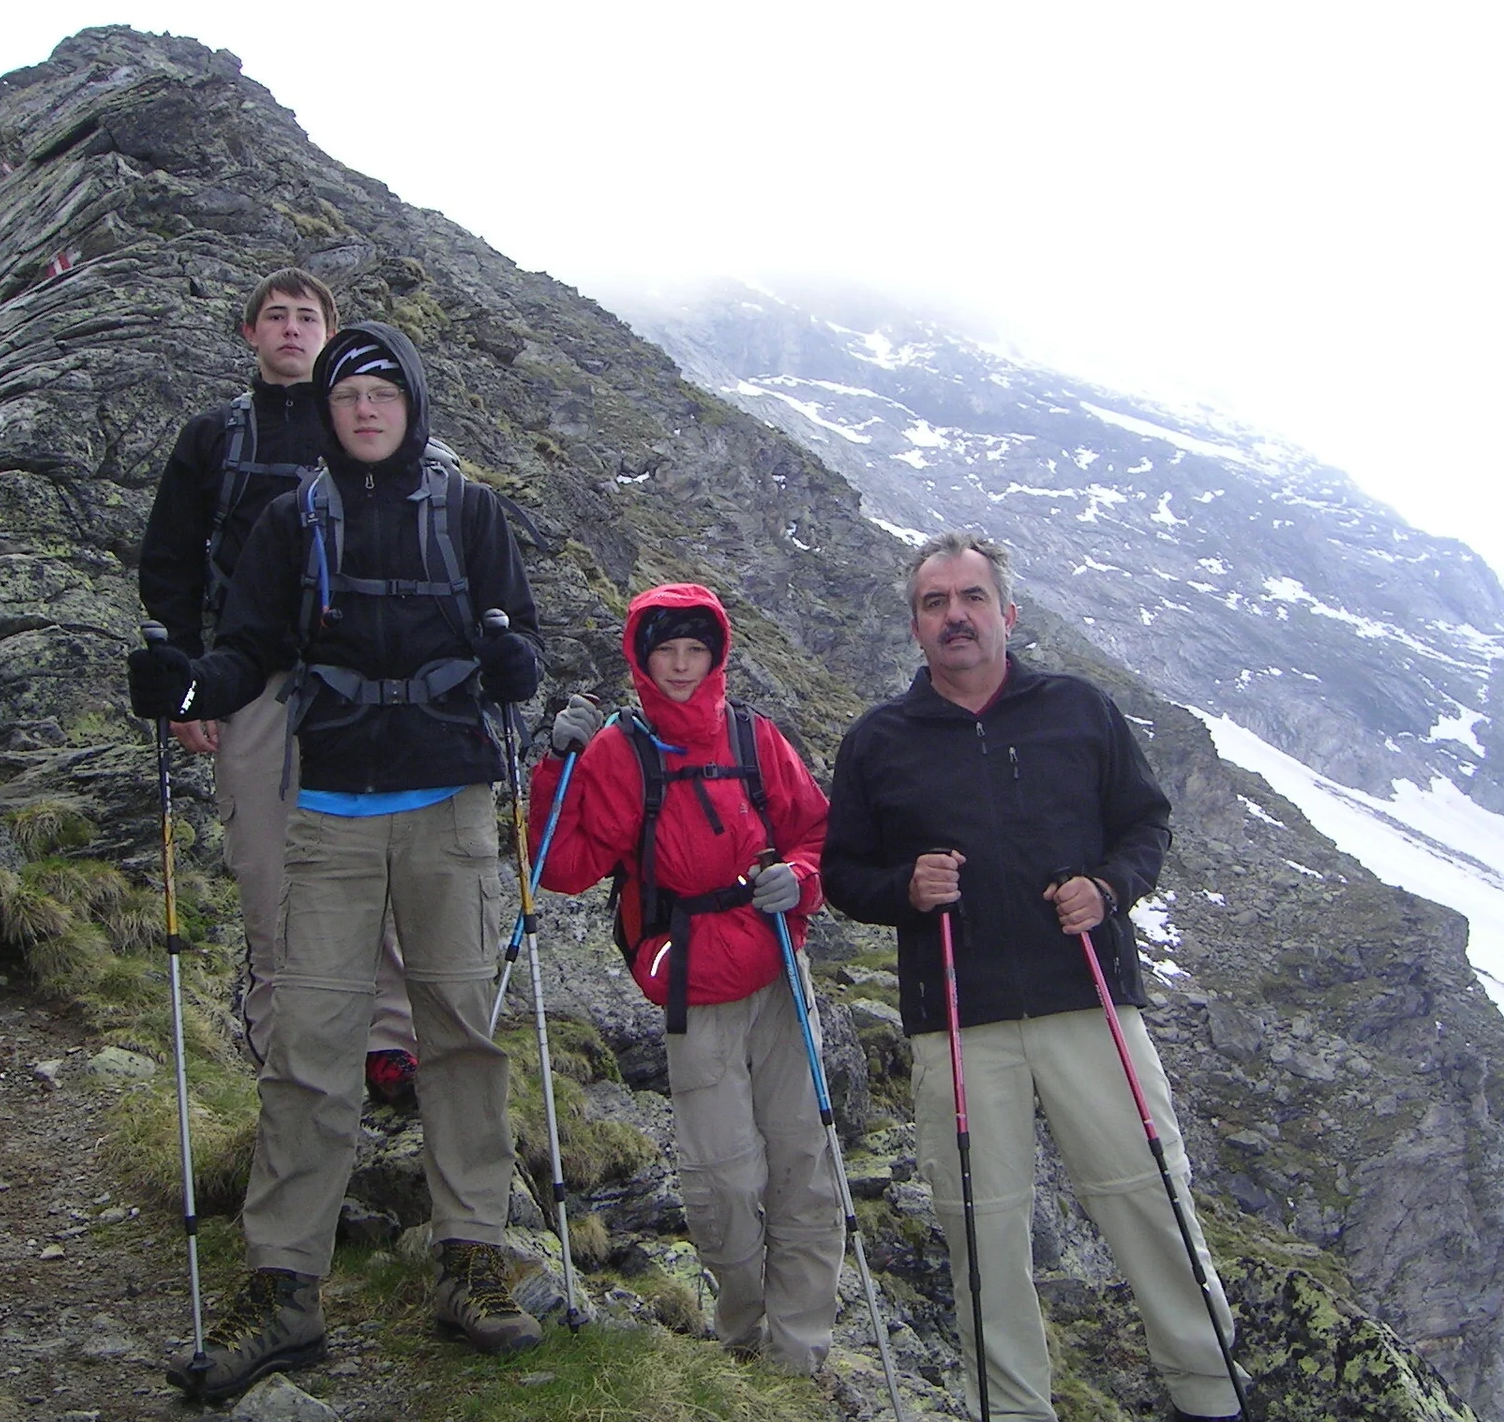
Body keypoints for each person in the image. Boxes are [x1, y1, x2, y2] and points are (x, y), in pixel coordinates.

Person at [130, 320, 546, 1402]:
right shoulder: (286, 519)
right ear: (327, 411)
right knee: (310, 1047)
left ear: (412, 406)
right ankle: (283, 1289)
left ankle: (472, 1257)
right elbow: (250, 651)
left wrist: (516, 660)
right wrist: (190, 686)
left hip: (447, 807)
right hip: (324, 809)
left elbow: (526, 648)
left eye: (383, 394)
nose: (366, 410)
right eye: (348, 395)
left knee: (459, 1034)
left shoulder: (470, 512)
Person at [821, 531, 1241, 1422]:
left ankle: (1212, 1396)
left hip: (1086, 999)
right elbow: (843, 874)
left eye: (970, 598)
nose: (954, 617)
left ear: (1007, 614)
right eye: (934, 604)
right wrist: (904, 887)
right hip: (957, 1019)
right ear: (915, 626)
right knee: (983, 1228)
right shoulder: (878, 742)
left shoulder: (1078, 710)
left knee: (1148, 1198)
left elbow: (1146, 826)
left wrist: (1109, 888)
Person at [526, 583, 845, 1374]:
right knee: (723, 1181)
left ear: (715, 655)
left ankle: (797, 1356)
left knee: (804, 1165)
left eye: (692, 650)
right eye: (663, 651)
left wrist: (800, 880)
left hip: (776, 968)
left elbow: (814, 830)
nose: (678, 665)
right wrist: (556, 766)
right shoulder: (617, 752)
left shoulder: (754, 737)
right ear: (640, 658)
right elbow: (559, 869)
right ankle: (742, 1338)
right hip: (691, 983)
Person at [137, 268, 421, 1105]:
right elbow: (170, 562)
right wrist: (194, 688)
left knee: (374, 864)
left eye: (308, 317)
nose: (292, 329)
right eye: (276, 316)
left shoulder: (367, 436)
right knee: (266, 863)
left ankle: (387, 1044)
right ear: (250, 334)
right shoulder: (212, 438)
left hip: (360, 687)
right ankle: (282, 1045)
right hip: (249, 680)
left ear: (329, 335)